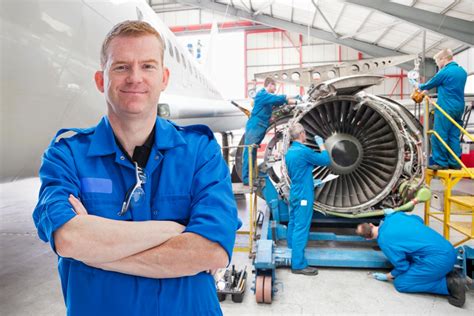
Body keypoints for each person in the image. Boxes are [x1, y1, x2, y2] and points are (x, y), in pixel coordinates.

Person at [32, 21, 240, 316]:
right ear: (100, 80)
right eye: (121, 67)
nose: (135, 77)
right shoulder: (66, 155)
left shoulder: (200, 152)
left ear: (164, 78)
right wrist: (173, 232)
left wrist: (95, 255)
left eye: (147, 66)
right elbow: (67, 238)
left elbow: (212, 250)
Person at [356, 209, 466, 307]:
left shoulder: (385, 242)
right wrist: (395, 214)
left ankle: (450, 283)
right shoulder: (394, 216)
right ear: (371, 224)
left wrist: (387, 276)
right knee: (412, 254)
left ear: (367, 239)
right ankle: (441, 272)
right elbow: (419, 219)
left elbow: (402, 267)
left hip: (437, 260)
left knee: (401, 283)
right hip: (449, 249)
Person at [285, 123, 331, 275]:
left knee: (293, 221)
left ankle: (292, 250)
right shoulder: (303, 151)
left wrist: (310, 179)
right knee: (301, 227)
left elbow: (298, 171)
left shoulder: (290, 152)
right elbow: (325, 160)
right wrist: (322, 144)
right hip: (304, 194)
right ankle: (298, 265)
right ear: (302, 134)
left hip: (295, 191)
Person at [415, 48, 467, 170]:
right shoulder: (462, 71)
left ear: (443, 59)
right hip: (459, 107)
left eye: (437, 61)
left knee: (438, 134)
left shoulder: (444, 72)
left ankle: (441, 163)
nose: (437, 64)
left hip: (445, 107)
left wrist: (417, 85)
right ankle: (455, 162)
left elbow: (428, 85)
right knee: (453, 135)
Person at [241, 77, 300, 185]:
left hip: (260, 127)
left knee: (252, 151)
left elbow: (280, 102)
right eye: (274, 86)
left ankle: (251, 177)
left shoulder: (267, 98)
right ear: (269, 85)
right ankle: (246, 178)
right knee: (249, 151)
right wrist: (296, 97)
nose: (275, 88)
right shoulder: (262, 94)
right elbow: (278, 99)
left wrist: (295, 103)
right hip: (255, 126)